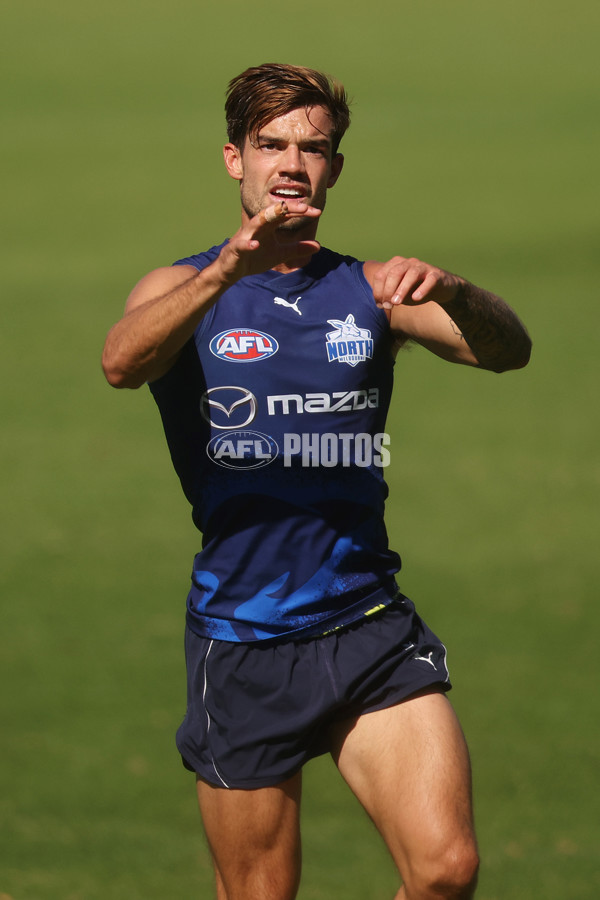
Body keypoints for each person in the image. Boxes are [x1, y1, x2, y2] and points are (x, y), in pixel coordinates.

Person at [102, 63, 531, 900]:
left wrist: (458, 291)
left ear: (334, 168)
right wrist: (227, 270)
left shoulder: (370, 290)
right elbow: (122, 363)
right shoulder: (181, 288)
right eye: (271, 145)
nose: (292, 163)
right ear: (235, 159)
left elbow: (508, 351)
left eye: (313, 147)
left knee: (447, 871)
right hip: (244, 638)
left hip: (367, 624)